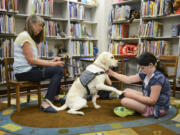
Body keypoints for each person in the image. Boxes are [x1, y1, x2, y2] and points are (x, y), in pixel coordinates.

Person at [13, 15, 65, 113]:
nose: (41, 29)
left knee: (58, 69)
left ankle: (55, 97)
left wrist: (52, 61)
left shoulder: (29, 38)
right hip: (24, 73)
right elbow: (32, 60)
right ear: (31, 23)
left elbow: (35, 60)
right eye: (40, 25)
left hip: (30, 70)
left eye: (42, 26)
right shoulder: (24, 36)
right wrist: (52, 64)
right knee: (58, 70)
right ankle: (46, 103)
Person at [106, 52, 171, 118]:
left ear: (150, 65)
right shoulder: (146, 73)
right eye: (140, 68)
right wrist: (112, 73)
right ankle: (136, 108)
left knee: (124, 101)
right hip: (149, 99)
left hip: (157, 108)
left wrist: (132, 96)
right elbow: (128, 79)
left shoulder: (157, 79)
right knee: (127, 90)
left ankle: (140, 111)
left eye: (142, 68)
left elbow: (152, 101)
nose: (140, 70)